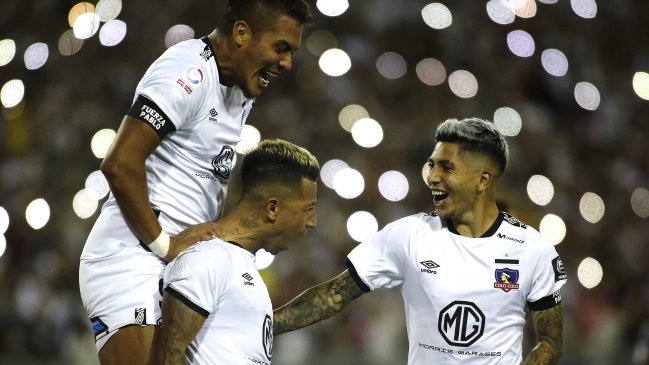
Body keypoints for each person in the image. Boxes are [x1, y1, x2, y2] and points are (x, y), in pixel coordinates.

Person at [78, 1, 313, 364]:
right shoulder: (187, 71)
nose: (287, 63)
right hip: (132, 258)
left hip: (179, 265)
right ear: (241, 33)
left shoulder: (239, 87)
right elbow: (120, 163)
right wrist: (164, 244)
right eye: (280, 47)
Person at [273, 117, 568, 364]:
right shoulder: (409, 234)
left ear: (483, 180)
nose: (432, 177)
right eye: (432, 165)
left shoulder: (533, 249)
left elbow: (550, 343)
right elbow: (332, 296)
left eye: (446, 167)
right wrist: (265, 324)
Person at [147, 139, 319, 365]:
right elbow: (168, 357)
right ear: (273, 208)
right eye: (308, 210)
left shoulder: (239, 265)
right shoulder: (208, 258)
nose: (312, 222)